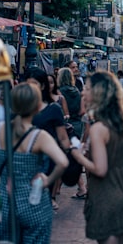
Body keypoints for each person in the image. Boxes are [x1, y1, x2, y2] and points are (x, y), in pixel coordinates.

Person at [70, 71, 123, 244]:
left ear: (98, 93)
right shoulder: (119, 122)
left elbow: (100, 168)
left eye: (88, 89)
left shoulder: (98, 128)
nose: (83, 92)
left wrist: (77, 155)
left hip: (108, 197)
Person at [0, 82, 68, 243]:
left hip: (5, 203)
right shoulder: (39, 136)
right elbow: (63, 162)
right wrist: (47, 181)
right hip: (34, 202)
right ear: (37, 106)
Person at [25, 67, 71, 211]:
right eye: (28, 85)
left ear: (42, 86)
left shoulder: (53, 109)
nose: (31, 89)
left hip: (46, 161)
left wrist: (70, 155)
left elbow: (63, 138)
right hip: (24, 159)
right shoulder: (20, 108)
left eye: (34, 84)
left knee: (39, 199)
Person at [57, 67, 87, 199]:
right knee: (71, 155)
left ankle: (81, 187)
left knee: (64, 155)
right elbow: (82, 111)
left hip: (64, 125)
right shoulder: (77, 91)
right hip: (77, 125)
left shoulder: (60, 93)